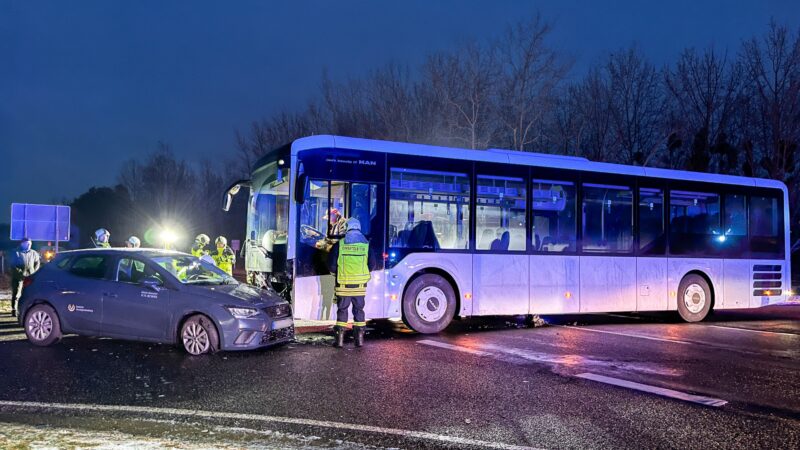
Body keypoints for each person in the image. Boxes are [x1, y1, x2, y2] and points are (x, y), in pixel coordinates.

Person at [327, 218, 376, 348]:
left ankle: (339, 341)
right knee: (359, 310)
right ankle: (359, 341)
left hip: (343, 285)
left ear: (347, 228)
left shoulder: (340, 244)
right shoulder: (367, 245)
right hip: (360, 286)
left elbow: (331, 265)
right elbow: (372, 264)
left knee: (342, 310)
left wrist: (337, 274)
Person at [10, 238, 41, 317]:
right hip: (19, 278)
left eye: (30, 244)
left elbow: (37, 263)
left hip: (30, 278)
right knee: (17, 294)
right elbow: (13, 265)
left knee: (30, 294)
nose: (28, 245)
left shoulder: (34, 253)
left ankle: (28, 310)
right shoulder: (16, 252)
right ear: (22, 244)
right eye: (27, 244)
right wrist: (21, 274)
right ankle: (14, 310)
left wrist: (34, 273)